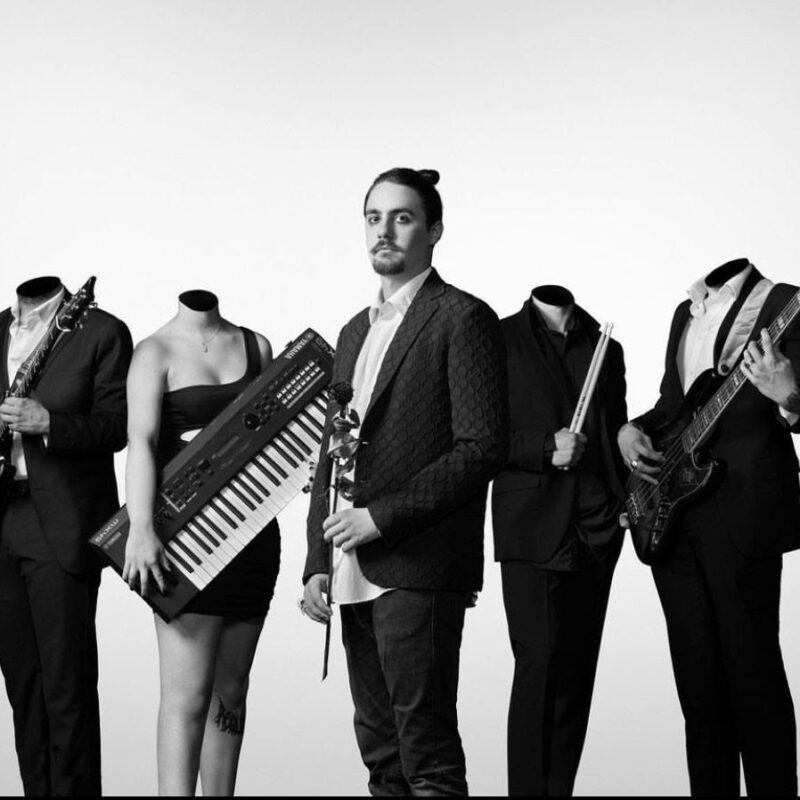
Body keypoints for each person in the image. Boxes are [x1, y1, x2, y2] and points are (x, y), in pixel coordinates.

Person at [301, 167, 509, 796]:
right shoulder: (353, 331)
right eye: (373, 218)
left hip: (418, 564)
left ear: (434, 231)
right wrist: (316, 560)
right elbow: (330, 454)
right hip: (350, 568)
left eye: (402, 217)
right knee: (381, 756)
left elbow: (482, 448)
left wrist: (381, 518)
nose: (384, 231)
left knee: (427, 755)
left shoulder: (463, 317)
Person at [618, 258, 800, 796]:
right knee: (699, 692)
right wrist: (631, 429)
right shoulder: (685, 311)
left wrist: (790, 396)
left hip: (744, 514)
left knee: (754, 681)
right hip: (675, 515)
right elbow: (674, 406)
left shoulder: (785, 303)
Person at [122, 289, 280, 796]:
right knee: (186, 698)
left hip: (252, 534)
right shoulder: (154, 351)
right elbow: (141, 442)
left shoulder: (257, 345)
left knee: (231, 692)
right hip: (184, 541)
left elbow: (273, 435)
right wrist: (141, 529)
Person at [492, 285, 628, 796]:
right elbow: (476, 437)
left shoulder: (605, 346)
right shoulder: (498, 338)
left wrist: (625, 500)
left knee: (576, 675)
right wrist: (545, 447)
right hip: (530, 523)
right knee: (538, 664)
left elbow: (613, 429)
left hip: (598, 526)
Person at [0, 275, 132, 796]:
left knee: (66, 684)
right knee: (23, 688)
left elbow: (117, 426)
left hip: (59, 521)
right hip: (2, 521)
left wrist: (48, 422)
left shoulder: (101, 331)